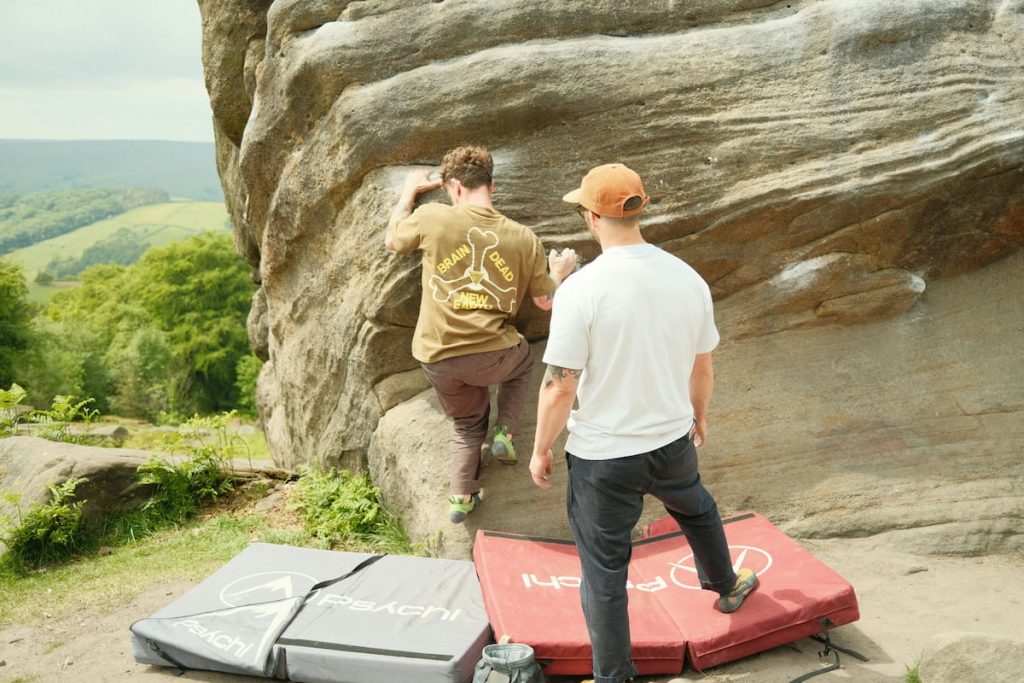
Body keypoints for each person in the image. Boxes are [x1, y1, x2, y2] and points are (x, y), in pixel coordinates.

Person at [529, 163, 758, 683]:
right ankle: (727, 584)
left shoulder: (580, 291)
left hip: (603, 458)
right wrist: (698, 416)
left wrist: (541, 448)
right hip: (671, 438)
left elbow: (560, 384)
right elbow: (703, 365)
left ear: (590, 217)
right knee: (696, 506)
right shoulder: (687, 278)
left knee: (605, 569)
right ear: (641, 208)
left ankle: (615, 677)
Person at [385, 145, 576, 523]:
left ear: (453, 187)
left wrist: (408, 191)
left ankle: (462, 499)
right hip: (494, 357)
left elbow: (392, 240)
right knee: (523, 358)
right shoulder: (523, 238)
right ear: (492, 184)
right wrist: (560, 274)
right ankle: (505, 430)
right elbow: (544, 301)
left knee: (467, 425)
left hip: (437, 356)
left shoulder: (433, 217)